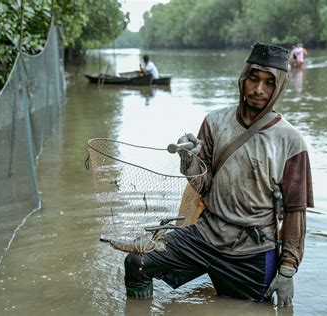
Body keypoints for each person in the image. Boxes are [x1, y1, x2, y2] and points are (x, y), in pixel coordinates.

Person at [124, 43, 314, 306]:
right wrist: (188, 158)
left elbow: (295, 210)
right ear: (243, 79)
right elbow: (204, 186)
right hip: (206, 235)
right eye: (254, 79)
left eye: (269, 83)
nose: (259, 89)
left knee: (254, 310)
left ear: (280, 86)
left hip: (253, 249)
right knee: (138, 262)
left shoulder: (290, 141)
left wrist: (288, 269)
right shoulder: (214, 123)